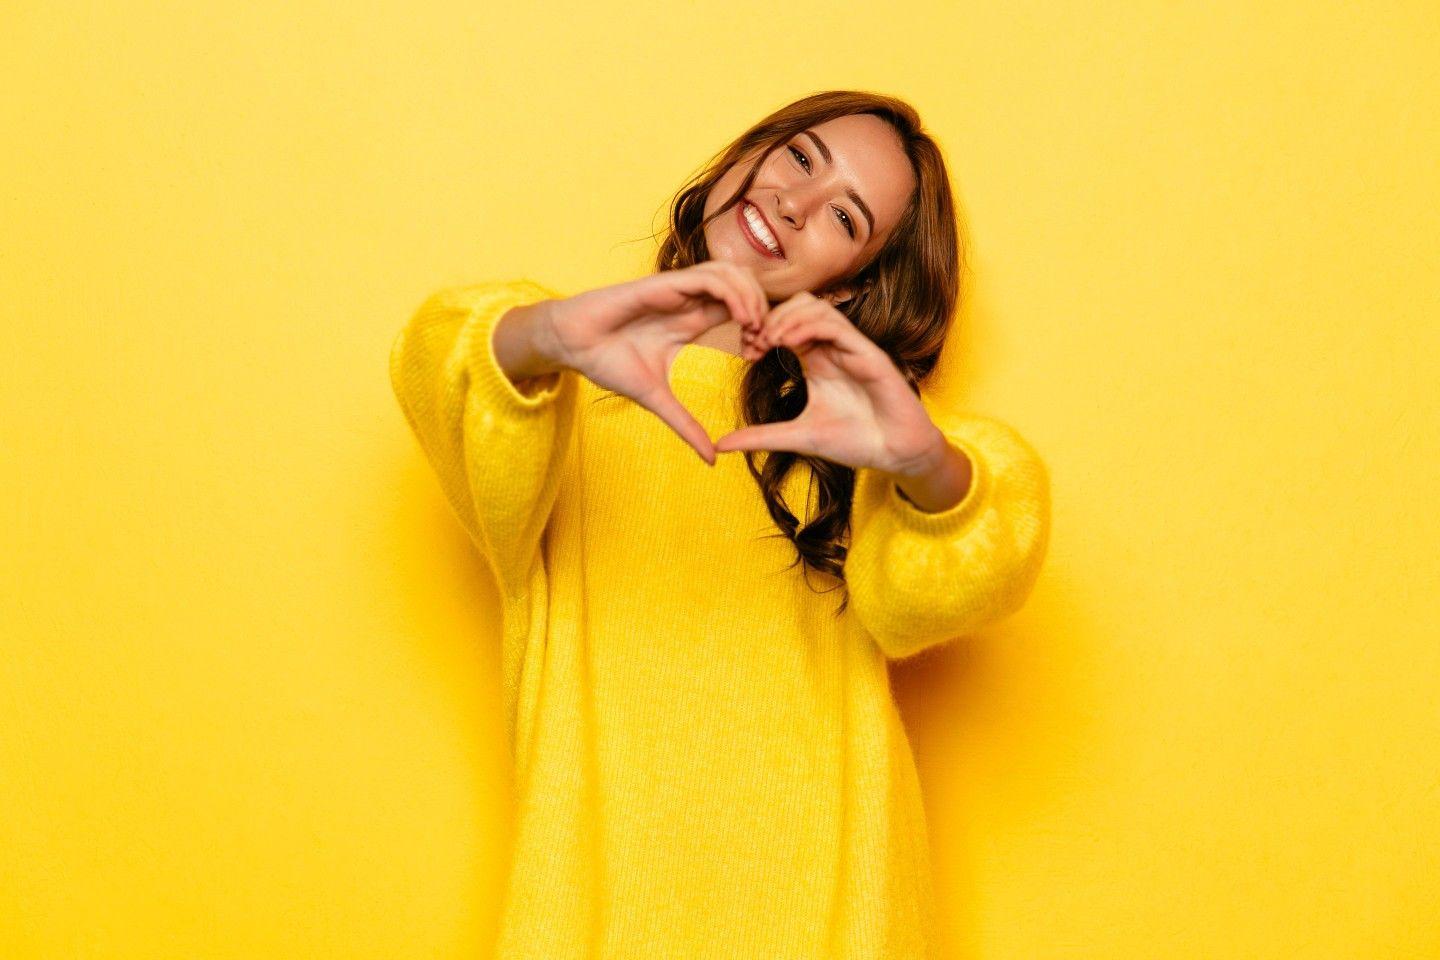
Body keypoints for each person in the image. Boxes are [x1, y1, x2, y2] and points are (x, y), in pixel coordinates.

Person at [389, 90, 1051, 959]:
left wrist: (924, 461)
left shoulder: (859, 444)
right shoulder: (553, 398)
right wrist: (549, 333)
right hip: (595, 907)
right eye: (800, 157)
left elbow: (980, 548)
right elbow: (443, 359)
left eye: (844, 218)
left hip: (832, 911)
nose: (796, 203)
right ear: (745, 154)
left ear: (847, 284)